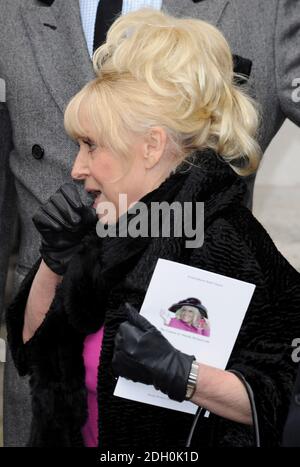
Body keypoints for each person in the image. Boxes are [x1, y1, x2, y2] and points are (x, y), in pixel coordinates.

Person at [1, 0, 300, 448]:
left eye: (90, 145)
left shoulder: (231, 244)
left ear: (150, 146)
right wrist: (53, 262)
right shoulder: (97, 231)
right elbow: (30, 351)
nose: (77, 168)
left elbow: (283, 397)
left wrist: (188, 377)